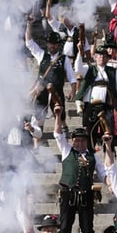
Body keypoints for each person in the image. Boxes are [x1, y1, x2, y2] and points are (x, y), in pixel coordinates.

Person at [53, 110, 106, 233]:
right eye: (76, 139)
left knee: (87, 228)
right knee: (64, 227)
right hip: (68, 193)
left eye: (82, 140)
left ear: (86, 141)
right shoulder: (66, 150)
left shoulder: (93, 155)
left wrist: (110, 184)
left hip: (86, 194)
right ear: (73, 140)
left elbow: (102, 173)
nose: (79, 142)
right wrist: (57, 116)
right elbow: (57, 134)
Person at [25, 14, 77, 146]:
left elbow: (71, 76)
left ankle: (64, 142)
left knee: (61, 117)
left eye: (54, 44)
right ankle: (37, 145)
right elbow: (29, 42)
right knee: (38, 118)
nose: (52, 46)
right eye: (50, 43)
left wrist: (73, 90)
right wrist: (29, 25)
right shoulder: (42, 55)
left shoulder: (64, 59)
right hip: (41, 92)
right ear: (47, 44)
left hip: (57, 92)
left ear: (58, 45)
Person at [74, 45, 117, 151]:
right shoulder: (89, 69)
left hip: (106, 106)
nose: (101, 58)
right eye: (99, 55)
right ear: (95, 57)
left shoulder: (113, 71)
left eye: (104, 56)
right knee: (89, 134)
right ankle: (89, 158)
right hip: (90, 106)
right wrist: (80, 52)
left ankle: (109, 158)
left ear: (107, 58)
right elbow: (78, 68)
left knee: (108, 133)